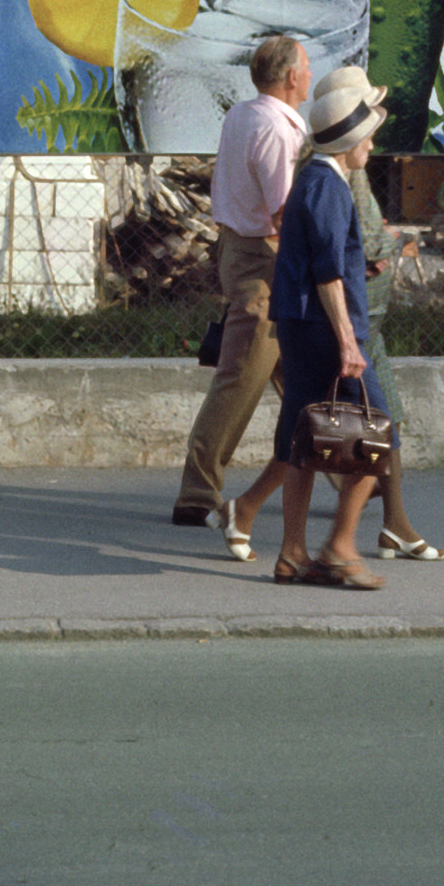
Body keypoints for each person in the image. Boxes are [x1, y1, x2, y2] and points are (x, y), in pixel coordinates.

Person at [171, 33, 312, 549]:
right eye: (307, 68)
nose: (311, 76)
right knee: (240, 378)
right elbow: (284, 212)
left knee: (299, 378)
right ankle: (197, 491)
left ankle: (348, 473)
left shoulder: (244, 115)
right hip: (265, 261)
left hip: (243, 250)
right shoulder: (276, 130)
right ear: (292, 76)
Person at [314, 66, 444, 563]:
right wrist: (394, 240)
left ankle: (393, 524)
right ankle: (255, 516)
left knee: (380, 420)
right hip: (355, 320)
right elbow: (362, 242)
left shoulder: (344, 167)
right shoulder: (342, 172)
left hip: (366, 320)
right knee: (371, 421)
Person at [267, 84, 394, 588]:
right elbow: (327, 273)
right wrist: (347, 340)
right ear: (347, 144)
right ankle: (339, 546)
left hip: (303, 326)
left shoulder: (316, 180)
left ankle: (292, 554)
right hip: (322, 330)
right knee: (378, 434)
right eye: (367, 137)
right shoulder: (328, 187)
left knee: (301, 440)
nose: (372, 146)